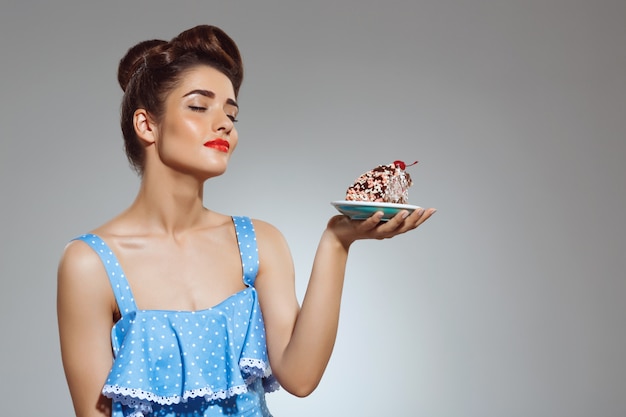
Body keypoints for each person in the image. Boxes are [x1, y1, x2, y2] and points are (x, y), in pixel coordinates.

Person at [57, 24, 436, 417]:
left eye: (231, 113)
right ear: (146, 125)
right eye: (199, 106)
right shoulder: (89, 264)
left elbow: (300, 377)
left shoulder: (259, 242)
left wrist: (337, 242)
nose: (224, 124)